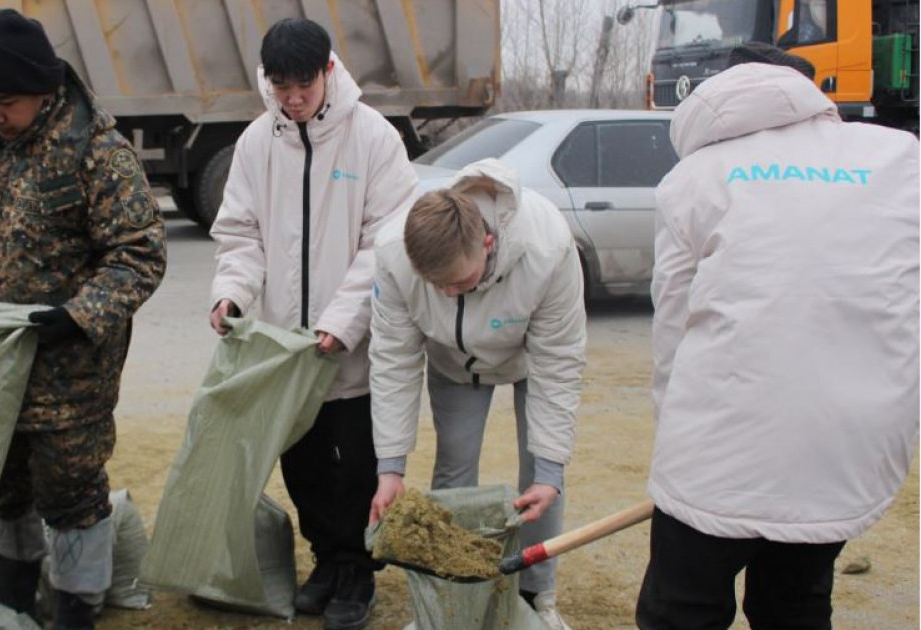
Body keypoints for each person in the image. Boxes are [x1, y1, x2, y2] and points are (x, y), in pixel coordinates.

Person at [637, 44, 919, 629]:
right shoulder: (901, 158)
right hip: (845, 448)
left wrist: (674, 434)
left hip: (715, 454)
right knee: (796, 605)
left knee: (682, 611)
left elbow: (672, 324)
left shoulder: (694, 176)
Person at [0, 9, 166, 630]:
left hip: (68, 374)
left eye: (5, 102)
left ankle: (75, 613)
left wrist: (77, 316)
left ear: (43, 91)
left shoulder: (95, 153)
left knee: (71, 495)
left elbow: (141, 254)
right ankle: (11, 606)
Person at [208, 17, 417, 630]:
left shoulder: (373, 139)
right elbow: (240, 234)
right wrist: (233, 296)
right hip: (283, 353)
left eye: (303, 85)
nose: (293, 100)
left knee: (355, 467)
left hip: (348, 351)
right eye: (281, 87)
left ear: (329, 71)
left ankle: (358, 571)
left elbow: (387, 243)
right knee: (302, 467)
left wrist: (340, 322)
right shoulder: (255, 143)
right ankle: (326, 560)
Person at [366, 159, 586, 630]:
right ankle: (450, 601)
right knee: (454, 467)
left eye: (459, 283)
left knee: (541, 480)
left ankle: (537, 594)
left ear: (488, 244)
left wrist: (550, 467)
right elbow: (393, 361)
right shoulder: (392, 253)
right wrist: (390, 467)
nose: (446, 293)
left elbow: (558, 360)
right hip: (452, 361)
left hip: (530, 357)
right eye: (435, 286)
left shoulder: (547, 246)